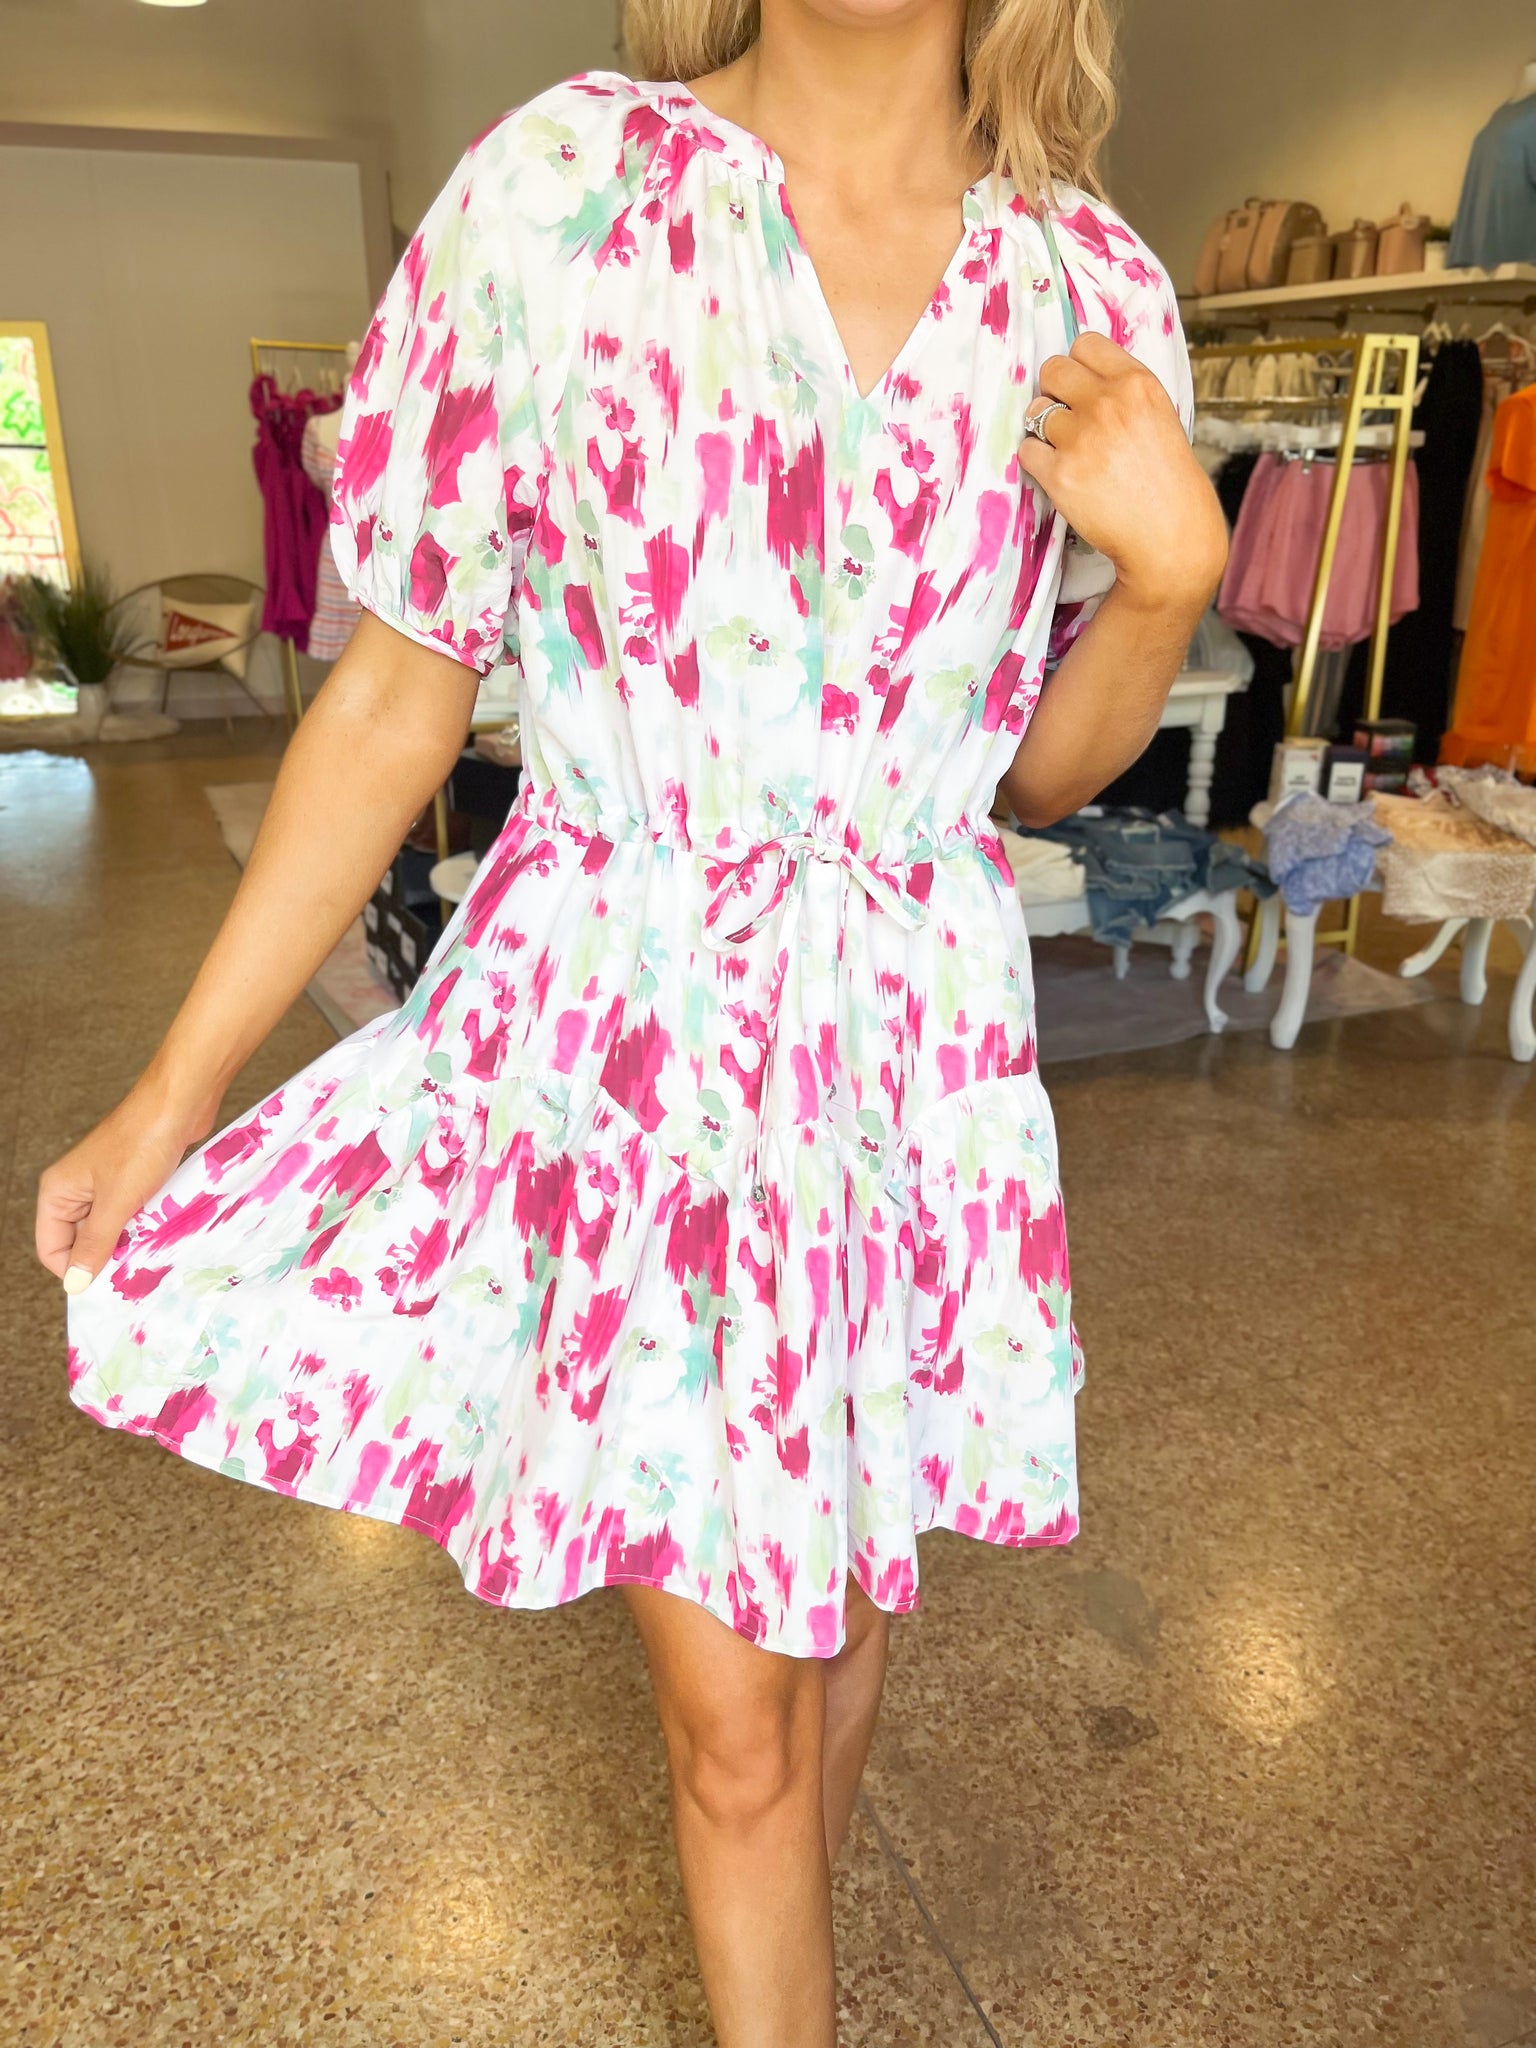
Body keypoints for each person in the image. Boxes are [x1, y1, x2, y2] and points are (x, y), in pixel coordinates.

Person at [35, 2, 1226, 2041]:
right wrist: (172, 1093)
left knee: (837, 1619)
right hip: (641, 1049)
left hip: (906, 1068)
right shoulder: (560, 191)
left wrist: (1169, 580)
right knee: (736, 1727)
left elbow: (1036, 776)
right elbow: (397, 692)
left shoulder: (1087, 284)